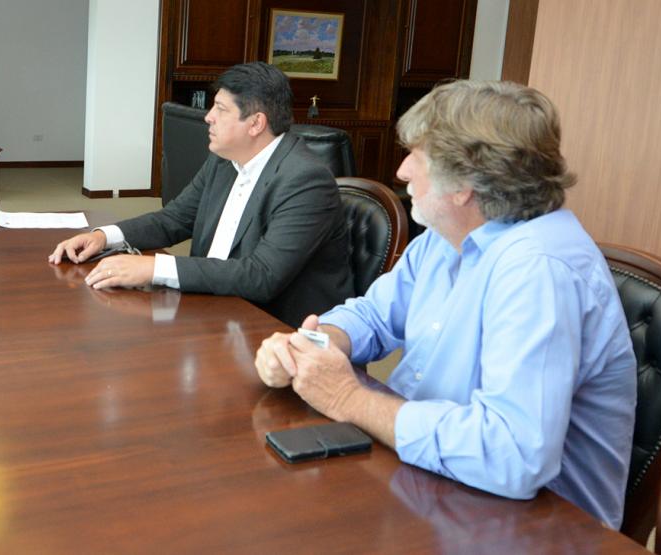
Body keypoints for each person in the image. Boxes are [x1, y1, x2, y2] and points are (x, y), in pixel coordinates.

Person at [254, 80, 636, 529]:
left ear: (466, 183)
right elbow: (374, 316)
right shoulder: (446, 236)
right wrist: (311, 347)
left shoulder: (539, 269)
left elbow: (512, 454)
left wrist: (346, 397)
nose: (401, 171)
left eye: (417, 155)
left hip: (528, 527)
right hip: (432, 488)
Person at [49, 62, 353, 326]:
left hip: (277, 330)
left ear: (256, 123)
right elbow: (175, 219)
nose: (208, 117)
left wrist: (154, 268)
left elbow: (262, 276)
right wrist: (105, 237)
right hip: (215, 307)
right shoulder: (224, 160)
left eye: (220, 109)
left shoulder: (305, 180)